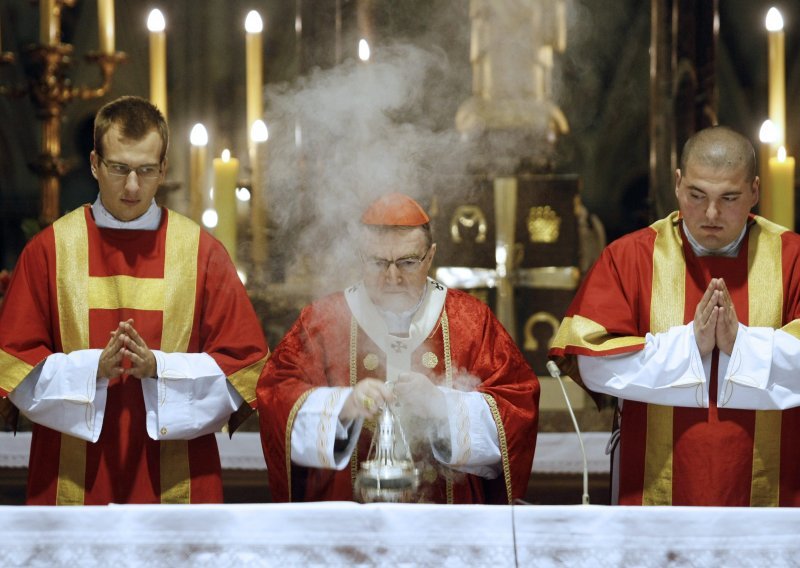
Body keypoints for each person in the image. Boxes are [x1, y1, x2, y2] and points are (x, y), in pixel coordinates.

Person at [0, 96, 269, 505]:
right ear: (94, 163)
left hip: (181, 488)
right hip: (68, 488)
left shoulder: (202, 254)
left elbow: (244, 371)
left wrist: (159, 368)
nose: (131, 186)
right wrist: (95, 369)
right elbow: (14, 369)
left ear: (163, 169)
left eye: (145, 170)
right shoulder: (50, 251)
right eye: (118, 168)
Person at [549, 125, 800, 506]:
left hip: (773, 487)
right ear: (678, 184)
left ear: (755, 191)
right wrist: (688, 345)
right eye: (697, 195)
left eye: (729, 197)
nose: (711, 213)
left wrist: (742, 345)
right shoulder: (629, 258)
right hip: (652, 484)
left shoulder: (792, 258)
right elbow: (594, 366)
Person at [257, 193, 539, 504]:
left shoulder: (470, 320)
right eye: (378, 262)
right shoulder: (322, 321)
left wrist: (441, 406)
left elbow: (517, 408)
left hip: (446, 520)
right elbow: (275, 396)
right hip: (350, 517)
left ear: (429, 257)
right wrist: (343, 407)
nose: (393, 277)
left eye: (406, 262)